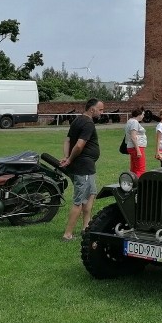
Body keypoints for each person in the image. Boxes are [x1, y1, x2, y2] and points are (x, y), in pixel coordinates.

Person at [60, 98, 104, 241]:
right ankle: (68, 234)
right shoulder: (88, 123)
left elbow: (67, 140)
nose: (102, 112)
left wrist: (66, 157)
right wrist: (70, 159)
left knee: (91, 194)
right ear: (92, 109)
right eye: (100, 110)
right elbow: (79, 145)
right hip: (83, 167)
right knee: (79, 200)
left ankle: (86, 228)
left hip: (87, 167)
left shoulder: (77, 120)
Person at [124, 107, 147, 177]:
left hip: (132, 147)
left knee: (134, 168)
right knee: (140, 169)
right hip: (136, 147)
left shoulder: (130, 121)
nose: (143, 116)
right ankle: (139, 185)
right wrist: (138, 150)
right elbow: (133, 137)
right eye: (143, 114)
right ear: (139, 114)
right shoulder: (134, 122)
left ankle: (132, 184)